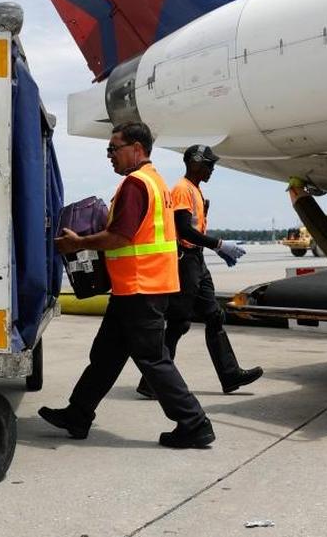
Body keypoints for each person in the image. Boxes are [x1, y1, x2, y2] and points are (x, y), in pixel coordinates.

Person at [41, 122, 215, 449]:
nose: (109, 156)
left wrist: (77, 243)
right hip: (136, 288)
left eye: (113, 148)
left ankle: (195, 423)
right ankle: (78, 414)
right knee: (105, 355)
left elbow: (120, 236)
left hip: (141, 288)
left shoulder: (136, 184)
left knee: (152, 359)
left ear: (136, 148)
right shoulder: (156, 182)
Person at [136, 144, 262, 399]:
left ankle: (230, 375)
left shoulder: (194, 190)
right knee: (179, 322)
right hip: (186, 261)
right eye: (208, 164)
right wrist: (219, 244)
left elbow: (195, 230)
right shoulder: (183, 190)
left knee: (214, 316)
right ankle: (151, 383)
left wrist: (216, 250)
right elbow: (183, 230)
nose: (212, 169)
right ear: (194, 163)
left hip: (197, 261)